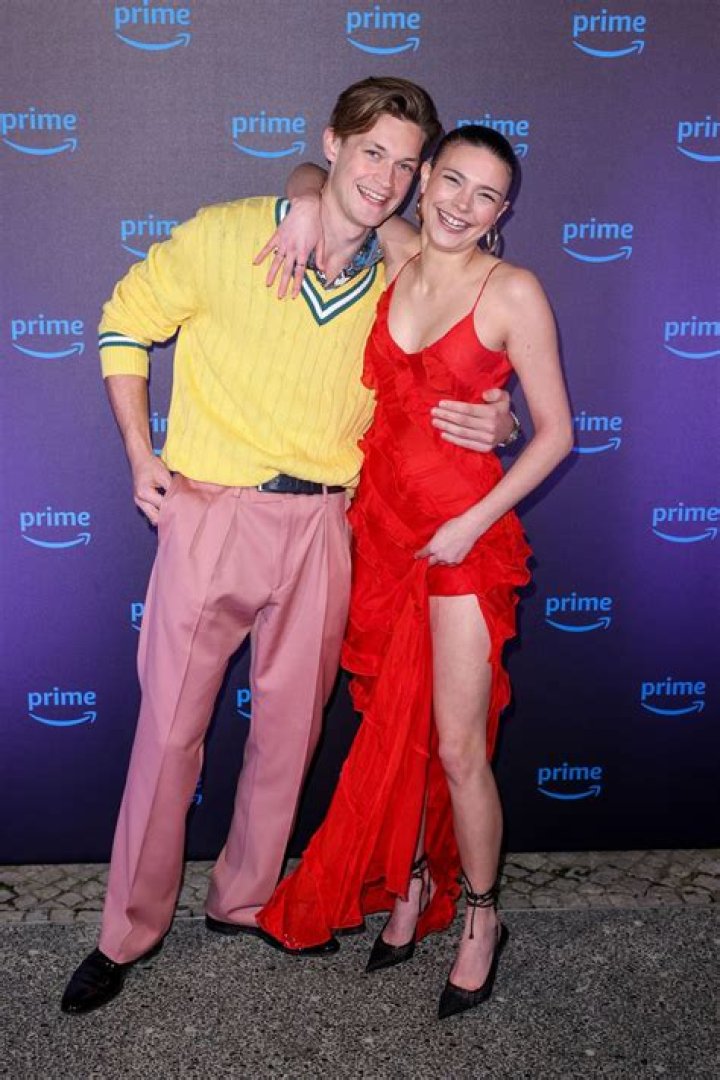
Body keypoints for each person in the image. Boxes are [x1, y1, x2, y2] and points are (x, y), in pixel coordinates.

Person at [60, 79, 516, 1015]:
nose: (384, 178)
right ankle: (125, 933)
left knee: (289, 734)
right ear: (332, 144)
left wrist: (499, 415)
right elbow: (123, 322)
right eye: (369, 152)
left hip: (326, 525)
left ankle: (244, 897)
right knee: (169, 735)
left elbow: (460, 345)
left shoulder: (400, 275)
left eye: (404, 163)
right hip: (212, 510)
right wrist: (141, 454)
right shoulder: (229, 233)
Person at [257, 125, 573, 1019]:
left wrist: (474, 519)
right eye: (452, 182)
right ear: (424, 178)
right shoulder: (397, 252)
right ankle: (414, 880)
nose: (462, 206)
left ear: (503, 212)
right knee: (399, 729)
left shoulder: (513, 290)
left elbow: (556, 432)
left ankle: (481, 915)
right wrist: (305, 205)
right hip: (384, 536)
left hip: (464, 543)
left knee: (460, 746)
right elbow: (310, 169)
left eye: (486, 196)